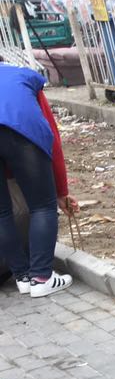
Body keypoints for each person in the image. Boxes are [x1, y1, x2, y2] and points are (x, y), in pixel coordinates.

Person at [0, 64, 78, 297]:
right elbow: (51, 137)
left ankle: (22, 277)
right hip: (23, 133)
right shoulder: (22, 76)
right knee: (42, 206)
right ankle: (42, 277)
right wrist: (61, 191)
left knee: (1, 213)